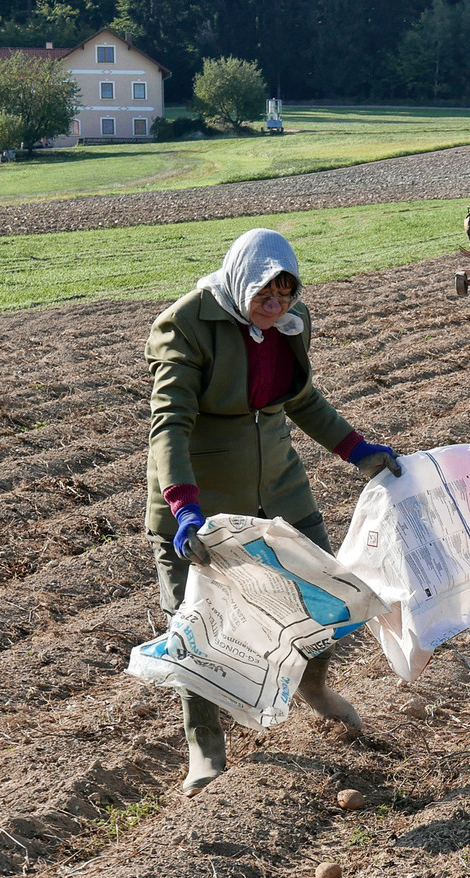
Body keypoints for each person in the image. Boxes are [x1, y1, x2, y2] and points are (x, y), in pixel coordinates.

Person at [144, 228, 401, 796]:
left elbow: (301, 398)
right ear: (241, 281)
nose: (276, 307)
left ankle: (315, 687)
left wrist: (358, 450)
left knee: (320, 591)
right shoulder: (186, 326)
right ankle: (205, 747)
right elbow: (170, 426)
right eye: (266, 296)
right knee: (195, 628)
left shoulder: (288, 325)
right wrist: (185, 507)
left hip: (279, 490)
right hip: (199, 501)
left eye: (286, 296)